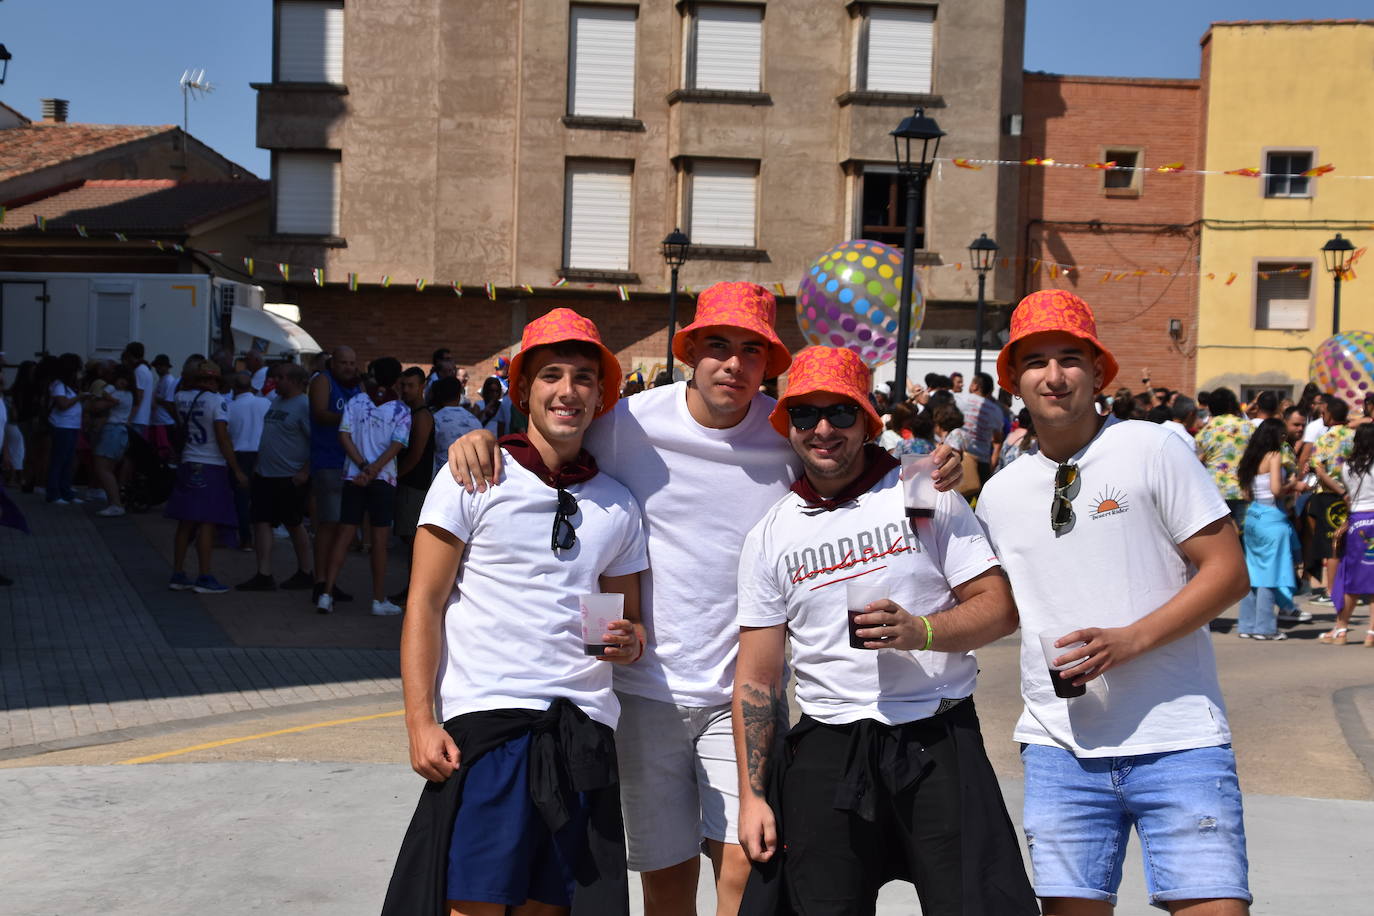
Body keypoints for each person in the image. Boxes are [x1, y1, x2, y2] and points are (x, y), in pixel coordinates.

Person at [447, 282, 969, 915]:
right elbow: (550, 440)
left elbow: (857, 461)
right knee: (666, 883)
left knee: (746, 869)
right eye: (717, 346)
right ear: (690, 351)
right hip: (642, 696)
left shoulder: (786, 431)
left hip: (739, 696)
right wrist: (483, 438)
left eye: (752, 351)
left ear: (768, 363)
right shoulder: (627, 426)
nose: (733, 363)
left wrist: (937, 465)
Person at [974, 290, 1252, 915]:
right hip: (1060, 747)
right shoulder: (999, 492)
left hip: (1177, 739)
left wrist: (1130, 640)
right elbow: (1000, 608)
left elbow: (1228, 571)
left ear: (1098, 370)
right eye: (1036, 361)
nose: (1054, 375)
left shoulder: (1153, 448)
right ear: (1013, 379)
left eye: (1070, 358)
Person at [732, 346, 1036, 915]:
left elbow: (998, 607)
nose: (823, 430)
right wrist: (753, 797)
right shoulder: (771, 535)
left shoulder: (919, 491)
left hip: (935, 734)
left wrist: (920, 630)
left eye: (840, 414)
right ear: (788, 425)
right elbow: (758, 675)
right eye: (805, 415)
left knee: (980, 904)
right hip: (829, 743)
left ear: (868, 420)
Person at [382, 309, 649, 916]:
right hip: (489, 725)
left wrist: (628, 640)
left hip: (581, 732)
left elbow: (628, 624)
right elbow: (423, 601)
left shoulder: (617, 504)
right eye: (551, 374)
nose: (568, 391)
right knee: (469, 906)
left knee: (550, 909)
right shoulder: (473, 477)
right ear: (524, 387)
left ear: (601, 395)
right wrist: (420, 722)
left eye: (583, 378)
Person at [317, 357, 411, 616]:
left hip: (353, 477)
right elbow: (396, 445)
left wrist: (361, 465)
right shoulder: (401, 409)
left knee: (344, 535)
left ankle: (326, 594)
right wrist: (374, 470)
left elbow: (343, 435)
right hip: (383, 480)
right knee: (380, 541)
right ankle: (378, 599)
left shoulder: (356, 401)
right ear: (395, 379)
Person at [166, 361, 248, 594]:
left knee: (185, 522)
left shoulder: (181, 397)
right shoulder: (217, 401)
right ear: (217, 380)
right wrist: (237, 469)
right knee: (207, 523)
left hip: (188, 461)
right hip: (211, 465)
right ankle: (204, 575)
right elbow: (222, 438)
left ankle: (178, 573)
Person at [236, 363, 315, 592]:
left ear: (296, 381)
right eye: (275, 377)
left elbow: (315, 443)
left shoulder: (304, 406)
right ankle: (264, 573)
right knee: (261, 522)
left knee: (294, 523)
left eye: (281, 377)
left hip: (289, 476)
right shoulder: (275, 402)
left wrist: (305, 472)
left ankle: (305, 571)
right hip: (265, 474)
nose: (276, 381)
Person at [1235, 418, 1299, 640]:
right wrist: (1293, 485)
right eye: (1282, 436)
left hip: (1253, 516)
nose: (1284, 440)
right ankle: (1264, 627)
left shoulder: (1251, 457)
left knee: (1253, 572)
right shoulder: (1274, 456)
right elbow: (1275, 489)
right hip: (1271, 517)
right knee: (1269, 575)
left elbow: (1246, 493)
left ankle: (1246, 624)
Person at [308, 346, 362, 605]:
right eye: (344, 363)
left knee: (343, 528)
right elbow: (319, 413)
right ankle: (319, 582)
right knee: (327, 525)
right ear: (333, 363)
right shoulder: (323, 381)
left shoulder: (357, 387)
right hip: (328, 462)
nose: (349, 367)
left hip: (351, 465)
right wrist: (351, 418)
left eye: (352, 363)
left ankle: (331, 581)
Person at [1320, 423, 1374, 646]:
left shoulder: (1347, 466)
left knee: (1351, 578)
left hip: (1356, 522)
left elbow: (1349, 494)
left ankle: (1341, 629)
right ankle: (1371, 633)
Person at [1308, 397, 1354, 608]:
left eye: (1324, 413)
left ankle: (1331, 590)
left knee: (1332, 545)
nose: (1322, 416)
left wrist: (1340, 491)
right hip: (1355, 494)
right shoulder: (1355, 436)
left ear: (1331, 415)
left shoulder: (1325, 440)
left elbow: (1319, 470)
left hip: (1330, 496)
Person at [1194, 386, 1250, 529]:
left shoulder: (1206, 430)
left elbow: (1198, 459)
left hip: (1215, 491)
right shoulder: (1248, 427)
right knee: (1245, 537)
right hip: (1244, 489)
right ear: (1233, 405)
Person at [394, 366, 436, 546]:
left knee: (412, 538)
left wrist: (395, 477)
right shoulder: (410, 412)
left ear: (422, 386)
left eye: (411, 385)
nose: (405, 390)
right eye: (403, 385)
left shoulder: (421, 416)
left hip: (414, 485)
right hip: (409, 483)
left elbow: (415, 454)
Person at [228, 371, 271, 548]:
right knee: (262, 499)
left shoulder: (229, 407)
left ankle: (246, 539)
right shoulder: (265, 403)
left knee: (242, 499)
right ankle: (265, 539)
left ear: (234, 388)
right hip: (263, 453)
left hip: (240, 455)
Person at [92, 367, 135, 517]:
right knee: (108, 469)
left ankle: (116, 503)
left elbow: (97, 406)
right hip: (119, 432)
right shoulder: (128, 394)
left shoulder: (120, 395)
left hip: (113, 431)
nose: (123, 382)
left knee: (102, 468)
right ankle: (113, 503)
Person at [46, 353, 85, 505]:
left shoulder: (68, 386)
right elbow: (62, 405)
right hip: (62, 426)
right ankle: (54, 493)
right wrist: (79, 397)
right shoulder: (58, 385)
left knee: (67, 461)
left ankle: (66, 492)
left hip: (71, 426)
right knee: (59, 461)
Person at [429, 377, 481, 477]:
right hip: (470, 477)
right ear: (459, 395)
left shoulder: (435, 419)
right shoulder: (474, 420)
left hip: (441, 476)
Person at [124, 342, 156, 440]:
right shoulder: (146, 370)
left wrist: (129, 417)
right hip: (143, 418)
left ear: (130, 354)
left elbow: (138, 396)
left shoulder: (139, 371)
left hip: (137, 419)